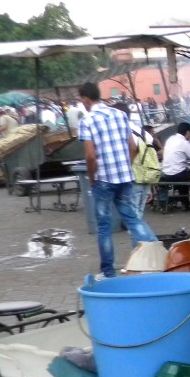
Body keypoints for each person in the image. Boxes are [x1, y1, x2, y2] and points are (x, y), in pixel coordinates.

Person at [77, 82, 157, 279]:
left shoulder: (87, 120)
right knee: (132, 219)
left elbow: (90, 156)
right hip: (125, 177)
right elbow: (133, 147)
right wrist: (126, 166)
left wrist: (92, 178)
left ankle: (108, 271)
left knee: (104, 226)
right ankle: (155, 256)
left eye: (82, 100)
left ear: (86, 98)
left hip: (103, 179)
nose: (82, 103)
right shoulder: (120, 115)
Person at [159, 122, 190, 211]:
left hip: (166, 173)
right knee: (189, 174)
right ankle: (185, 203)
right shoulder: (184, 143)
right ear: (188, 132)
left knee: (182, 171)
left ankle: (177, 200)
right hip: (178, 174)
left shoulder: (170, 139)